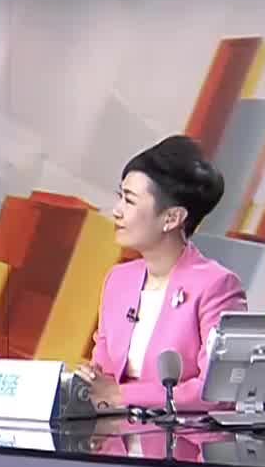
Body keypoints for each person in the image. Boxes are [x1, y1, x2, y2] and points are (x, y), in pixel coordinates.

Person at [75, 135, 248, 412]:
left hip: (183, 435)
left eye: (129, 201)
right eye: (120, 197)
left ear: (172, 218)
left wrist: (121, 395)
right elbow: (102, 374)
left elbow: (218, 392)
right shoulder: (118, 280)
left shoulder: (216, 285)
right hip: (113, 429)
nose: (117, 211)